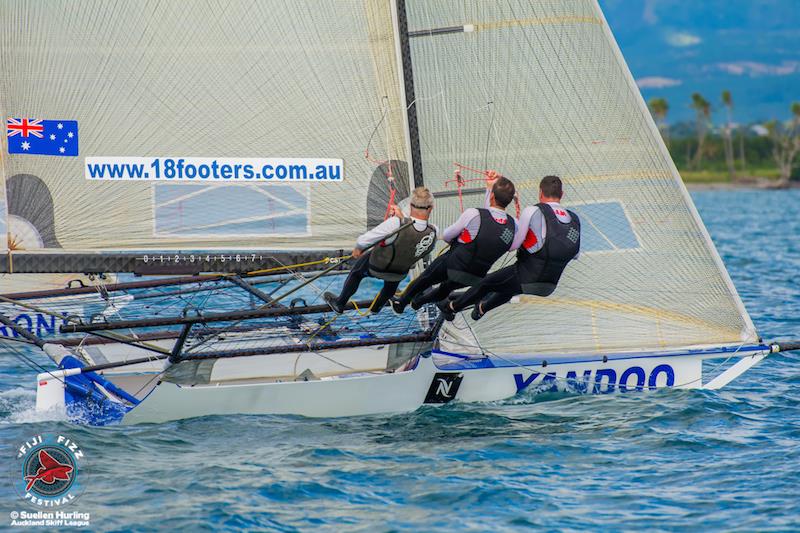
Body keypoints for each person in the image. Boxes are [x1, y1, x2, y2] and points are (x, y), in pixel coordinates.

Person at [438, 175, 580, 321]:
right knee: (508, 286)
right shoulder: (575, 219)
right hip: (549, 286)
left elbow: (513, 245)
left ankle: (451, 308)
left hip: (527, 277)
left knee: (485, 284)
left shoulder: (532, 211)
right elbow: (575, 255)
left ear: (540, 193)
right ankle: (481, 309)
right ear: (561, 195)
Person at [390, 173, 517, 314]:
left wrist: (461, 240)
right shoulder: (514, 226)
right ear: (510, 200)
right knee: (445, 289)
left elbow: (446, 236)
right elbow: (497, 229)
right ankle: (418, 303)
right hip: (475, 276)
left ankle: (401, 303)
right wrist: (489, 188)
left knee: (426, 279)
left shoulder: (473, 214)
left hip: (453, 264)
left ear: (492, 196)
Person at [323, 186, 437, 314]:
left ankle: (340, 303)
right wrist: (401, 218)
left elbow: (363, 240)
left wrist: (358, 249)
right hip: (399, 272)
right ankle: (376, 308)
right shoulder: (433, 231)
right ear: (431, 208)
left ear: (410, 205)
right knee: (392, 282)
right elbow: (420, 244)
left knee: (356, 272)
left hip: (377, 266)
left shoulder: (395, 223)